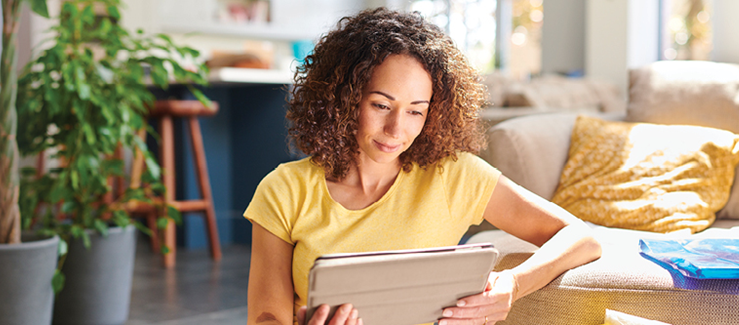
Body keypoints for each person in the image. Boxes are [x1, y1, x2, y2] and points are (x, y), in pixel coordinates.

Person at [245, 8, 601, 325]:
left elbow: (581, 238)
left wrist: (513, 284)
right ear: (345, 99)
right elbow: (266, 317)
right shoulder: (284, 190)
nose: (397, 130)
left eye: (416, 110)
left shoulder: (455, 175)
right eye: (381, 105)